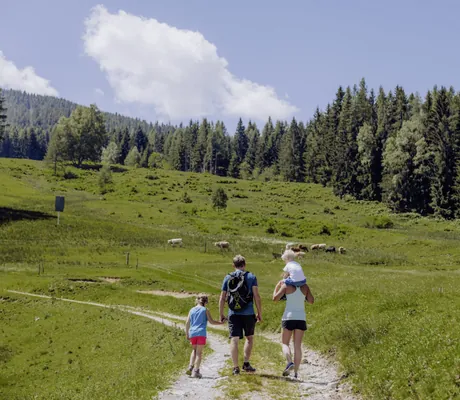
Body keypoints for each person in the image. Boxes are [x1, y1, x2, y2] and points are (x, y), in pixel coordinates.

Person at [219, 255, 262, 375]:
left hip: (233, 313)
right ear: (245, 264)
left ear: (233, 265)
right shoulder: (251, 276)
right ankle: (246, 363)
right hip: (248, 312)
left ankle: (235, 367)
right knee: (249, 338)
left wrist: (221, 313)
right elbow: (256, 297)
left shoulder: (228, 277)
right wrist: (259, 313)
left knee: (234, 339)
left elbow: (222, 297)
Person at [273, 280, 314, 379]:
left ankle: (289, 362)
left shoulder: (286, 286)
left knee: (285, 343)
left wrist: (277, 286)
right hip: (301, 318)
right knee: (297, 345)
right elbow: (311, 301)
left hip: (288, 317)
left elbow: (275, 298)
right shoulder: (305, 286)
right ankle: (296, 373)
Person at [185, 294, 223, 378]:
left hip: (192, 333)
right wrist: (221, 323)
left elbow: (187, 322)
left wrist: (187, 333)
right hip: (201, 333)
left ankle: (190, 367)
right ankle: (196, 372)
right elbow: (212, 322)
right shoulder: (205, 310)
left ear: (197, 300)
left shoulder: (191, 310)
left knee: (194, 351)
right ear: (206, 302)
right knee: (199, 353)